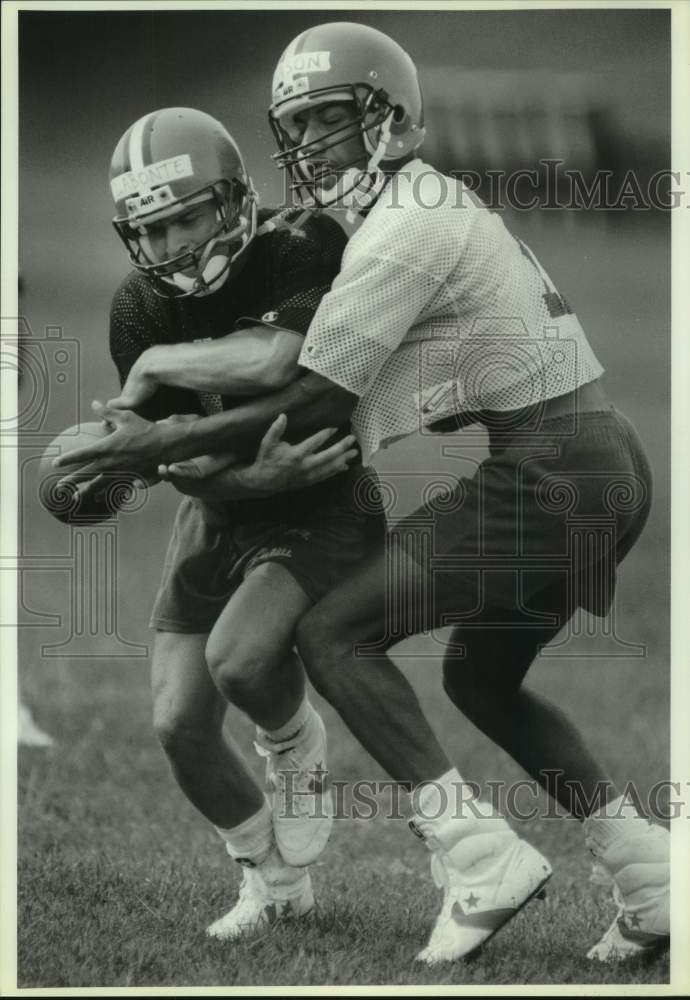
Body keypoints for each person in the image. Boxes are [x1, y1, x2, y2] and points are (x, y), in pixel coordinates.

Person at [56, 29, 670, 965]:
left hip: (554, 470)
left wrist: (152, 439)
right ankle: (652, 874)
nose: (313, 149)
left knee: (333, 631)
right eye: (296, 127)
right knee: (480, 680)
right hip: (590, 458)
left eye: (332, 122)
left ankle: (477, 855)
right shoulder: (406, 212)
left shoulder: (400, 225)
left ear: (391, 113)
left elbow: (312, 395)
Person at [63, 106, 385, 941]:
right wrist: (243, 476)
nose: (168, 245)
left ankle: (291, 737)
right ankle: (272, 882)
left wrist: (160, 365)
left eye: (185, 218)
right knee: (176, 723)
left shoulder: (304, 240)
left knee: (241, 663)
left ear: (236, 198)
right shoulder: (138, 304)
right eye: (150, 228)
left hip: (320, 497)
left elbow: (276, 360)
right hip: (224, 507)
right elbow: (173, 459)